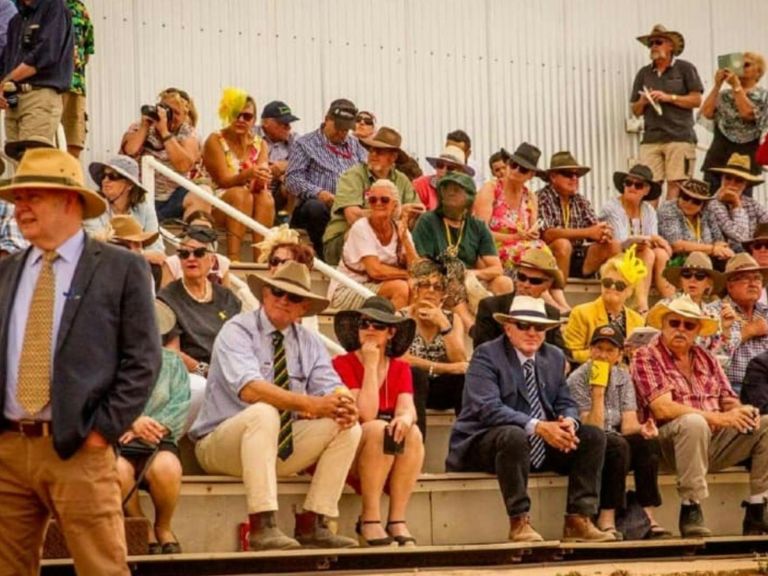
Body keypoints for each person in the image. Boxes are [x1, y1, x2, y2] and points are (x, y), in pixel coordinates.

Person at [0, 148, 161, 575]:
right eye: (18, 199)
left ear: (69, 200)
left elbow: (143, 359)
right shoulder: (6, 271)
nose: (21, 208)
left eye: (33, 196)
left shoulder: (122, 268)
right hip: (8, 448)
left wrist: (101, 432)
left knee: (101, 568)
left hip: (80, 448)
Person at [189, 262, 361, 551]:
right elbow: (250, 389)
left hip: (275, 445)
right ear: (264, 293)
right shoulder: (237, 330)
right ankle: (261, 523)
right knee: (263, 411)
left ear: (303, 307)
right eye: (277, 291)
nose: (283, 300)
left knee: (347, 425)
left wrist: (345, 402)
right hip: (219, 444)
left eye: (292, 297)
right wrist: (310, 403)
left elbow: (329, 383)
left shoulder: (308, 341)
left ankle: (315, 520)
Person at [446, 296, 613, 543]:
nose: (532, 332)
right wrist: (538, 426)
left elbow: (565, 401)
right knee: (515, 434)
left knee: (592, 436)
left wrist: (568, 422)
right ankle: (519, 520)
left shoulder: (554, 356)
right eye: (524, 325)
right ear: (508, 327)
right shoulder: (486, 355)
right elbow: (487, 408)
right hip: (483, 442)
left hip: (536, 444)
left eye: (540, 327)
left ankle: (579, 518)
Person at [632, 295, 768, 537]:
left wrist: (741, 411)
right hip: (667, 444)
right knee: (693, 423)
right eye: (674, 323)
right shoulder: (646, 355)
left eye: (689, 325)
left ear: (697, 331)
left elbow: (727, 399)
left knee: (766, 424)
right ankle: (691, 507)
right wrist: (717, 419)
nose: (681, 330)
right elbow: (663, 409)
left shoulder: (706, 357)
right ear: (663, 325)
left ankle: (759, 507)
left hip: (712, 441)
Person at [333, 297, 424, 547]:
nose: (370, 329)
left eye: (378, 325)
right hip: (350, 449)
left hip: (386, 453)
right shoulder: (342, 364)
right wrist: (371, 367)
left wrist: (404, 419)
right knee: (376, 428)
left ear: (391, 332)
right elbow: (366, 414)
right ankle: (369, 519)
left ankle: (396, 519)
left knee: (412, 432)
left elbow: (408, 408)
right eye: (364, 323)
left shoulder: (400, 368)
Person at [567, 324, 667, 540]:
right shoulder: (576, 379)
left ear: (619, 355)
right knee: (615, 445)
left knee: (646, 443)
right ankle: (606, 517)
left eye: (609, 350)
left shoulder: (622, 377)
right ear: (590, 350)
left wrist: (643, 428)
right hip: (590, 443)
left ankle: (648, 516)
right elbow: (592, 426)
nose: (602, 355)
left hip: (614, 437)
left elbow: (628, 424)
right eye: (598, 348)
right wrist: (598, 393)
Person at [117, 300, 190, 555]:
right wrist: (131, 421)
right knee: (117, 469)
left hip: (160, 439)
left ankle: (163, 526)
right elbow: (102, 398)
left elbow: (181, 403)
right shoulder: (110, 360)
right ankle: (141, 524)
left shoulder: (173, 363)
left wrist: (151, 427)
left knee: (167, 467)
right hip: (119, 438)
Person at [412, 171, 513, 331]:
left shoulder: (478, 226)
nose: (450, 192)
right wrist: (453, 273)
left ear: (469, 197)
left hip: (469, 278)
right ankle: (472, 328)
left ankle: (502, 329)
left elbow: (497, 268)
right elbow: (422, 263)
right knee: (450, 278)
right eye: (446, 188)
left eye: (457, 189)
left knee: (504, 282)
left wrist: (471, 274)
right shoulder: (428, 221)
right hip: (436, 278)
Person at [322, 126, 422, 266]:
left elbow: (416, 213)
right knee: (363, 227)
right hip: (340, 243)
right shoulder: (353, 176)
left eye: (379, 151)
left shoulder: (402, 180)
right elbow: (353, 217)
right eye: (371, 149)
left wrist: (409, 215)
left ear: (393, 157)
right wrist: (396, 212)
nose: (373, 154)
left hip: (384, 244)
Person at [630, 24, 704, 201]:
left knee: (676, 185)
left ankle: (669, 226)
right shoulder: (644, 73)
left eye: (658, 42)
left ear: (671, 46)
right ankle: (650, 226)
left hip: (679, 137)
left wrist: (669, 97)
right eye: (651, 43)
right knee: (649, 186)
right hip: (651, 138)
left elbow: (696, 100)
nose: (654, 46)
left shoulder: (686, 68)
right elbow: (636, 110)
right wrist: (643, 100)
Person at [286, 98, 367, 259]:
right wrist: (319, 193)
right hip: (317, 207)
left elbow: (366, 173)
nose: (341, 132)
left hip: (348, 205)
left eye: (346, 129)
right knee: (315, 207)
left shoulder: (356, 145)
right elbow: (292, 179)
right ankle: (325, 257)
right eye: (338, 127)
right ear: (327, 119)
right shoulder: (304, 144)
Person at [157, 226, 242, 377]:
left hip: (229, 370)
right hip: (189, 375)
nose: (191, 258)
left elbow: (239, 342)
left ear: (212, 259)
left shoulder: (226, 296)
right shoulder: (166, 298)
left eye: (199, 253)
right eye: (184, 254)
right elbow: (172, 351)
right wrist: (205, 371)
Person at [202, 88, 273, 260]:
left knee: (266, 197)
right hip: (217, 201)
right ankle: (234, 259)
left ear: (254, 120)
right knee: (241, 194)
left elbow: (260, 180)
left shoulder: (260, 144)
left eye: (247, 116)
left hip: (250, 200)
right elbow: (223, 181)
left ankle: (260, 260)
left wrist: (262, 178)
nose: (241, 120)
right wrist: (249, 174)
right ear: (227, 114)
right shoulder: (215, 140)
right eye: (236, 114)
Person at [400, 260, 467, 439]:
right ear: (415, 291)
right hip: (409, 390)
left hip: (441, 390)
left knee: (464, 379)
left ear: (443, 295)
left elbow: (460, 360)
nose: (430, 291)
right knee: (414, 374)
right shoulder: (400, 318)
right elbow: (401, 359)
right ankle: (417, 449)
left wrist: (444, 325)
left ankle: (466, 444)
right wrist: (443, 368)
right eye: (424, 285)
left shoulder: (452, 320)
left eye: (437, 287)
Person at [328, 179, 419, 310]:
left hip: (378, 287)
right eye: (373, 200)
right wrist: (408, 275)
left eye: (384, 200)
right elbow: (375, 271)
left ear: (395, 204)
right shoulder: (361, 228)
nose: (378, 203)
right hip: (349, 288)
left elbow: (417, 269)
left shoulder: (400, 228)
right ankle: (390, 327)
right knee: (401, 287)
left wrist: (404, 238)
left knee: (418, 289)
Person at [121, 87, 208, 222]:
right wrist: (145, 126)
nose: (168, 116)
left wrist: (165, 133)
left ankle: (196, 238)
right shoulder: (141, 127)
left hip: (171, 199)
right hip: (138, 198)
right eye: (165, 109)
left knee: (203, 193)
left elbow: (184, 165)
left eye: (175, 112)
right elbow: (129, 152)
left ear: (185, 115)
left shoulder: (188, 133)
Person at [0, 0, 73, 159]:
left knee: (33, 161)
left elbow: (46, 55)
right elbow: (6, 60)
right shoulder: (16, 20)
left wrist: (6, 81)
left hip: (39, 95)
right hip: (13, 98)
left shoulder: (54, 7)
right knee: (18, 162)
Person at [537, 151, 621, 284]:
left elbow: (594, 226)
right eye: (568, 174)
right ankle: (559, 297)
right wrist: (588, 232)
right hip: (549, 257)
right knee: (563, 245)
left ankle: (614, 298)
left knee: (613, 245)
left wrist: (603, 233)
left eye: (577, 175)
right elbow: (547, 234)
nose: (574, 178)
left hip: (577, 255)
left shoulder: (579, 200)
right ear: (553, 177)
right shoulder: (542, 197)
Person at [599, 164, 674, 312]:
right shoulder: (612, 207)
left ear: (646, 190)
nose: (632, 187)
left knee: (660, 253)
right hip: (612, 258)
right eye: (628, 183)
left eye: (638, 185)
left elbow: (651, 241)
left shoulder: (648, 209)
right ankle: (642, 306)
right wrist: (652, 238)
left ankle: (671, 300)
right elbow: (622, 241)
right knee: (648, 252)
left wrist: (653, 240)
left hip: (636, 259)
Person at [474, 143, 549, 275]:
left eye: (523, 169)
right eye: (513, 165)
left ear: (531, 175)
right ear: (508, 164)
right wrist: (514, 237)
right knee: (534, 257)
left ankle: (550, 292)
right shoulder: (491, 189)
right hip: (492, 250)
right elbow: (480, 232)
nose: (516, 170)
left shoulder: (531, 197)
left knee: (543, 254)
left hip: (525, 250)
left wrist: (532, 233)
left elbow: (533, 233)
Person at [563, 249, 647, 363]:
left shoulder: (637, 320)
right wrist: (610, 354)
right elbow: (572, 354)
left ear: (630, 292)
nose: (612, 287)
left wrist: (633, 353)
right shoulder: (581, 313)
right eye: (607, 283)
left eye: (620, 285)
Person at [473, 247, 566, 349]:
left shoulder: (551, 313)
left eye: (535, 281)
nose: (526, 284)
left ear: (548, 284)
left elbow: (561, 354)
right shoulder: (491, 307)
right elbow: (481, 352)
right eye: (522, 277)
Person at [700, 52, 768, 189]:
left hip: (745, 156)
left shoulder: (763, 96)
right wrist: (717, 85)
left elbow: (748, 114)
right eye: (739, 64)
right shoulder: (724, 95)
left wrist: (737, 87)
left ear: (758, 72)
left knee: (740, 200)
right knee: (709, 197)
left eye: (747, 65)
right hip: (719, 152)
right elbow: (706, 112)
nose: (741, 68)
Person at [86, 155, 165, 261]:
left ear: (129, 184)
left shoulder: (144, 207)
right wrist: (134, 252)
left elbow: (158, 251)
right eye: (103, 176)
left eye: (113, 176)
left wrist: (136, 254)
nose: (105, 180)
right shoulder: (94, 205)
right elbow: (94, 244)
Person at [661, 251, 734, 355]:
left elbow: (723, 356)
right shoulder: (665, 307)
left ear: (709, 283)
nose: (692, 280)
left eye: (700, 276)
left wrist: (726, 330)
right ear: (681, 281)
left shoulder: (712, 314)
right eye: (687, 275)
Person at [658, 178, 733, 267]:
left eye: (696, 201)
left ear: (703, 204)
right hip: (677, 261)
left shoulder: (707, 212)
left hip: (706, 260)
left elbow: (719, 239)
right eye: (686, 197)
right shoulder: (668, 208)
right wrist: (713, 249)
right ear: (679, 196)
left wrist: (720, 248)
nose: (689, 203)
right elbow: (676, 245)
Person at [721, 253, 768, 394]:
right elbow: (713, 355)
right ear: (730, 286)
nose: (753, 283)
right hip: (733, 387)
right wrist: (748, 331)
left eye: (757, 278)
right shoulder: (715, 311)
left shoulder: (766, 312)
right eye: (745, 278)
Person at [706, 153, 768, 251]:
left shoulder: (752, 204)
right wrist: (737, 204)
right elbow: (741, 237)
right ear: (722, 178)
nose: (732, 184)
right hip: (723, 256)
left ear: (745, 184)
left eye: (738, 180)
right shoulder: (713, 203)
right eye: (728, 178)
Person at [160, 210, 232, 288]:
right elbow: (164, 296)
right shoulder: (172, 263)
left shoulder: (221, 262)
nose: (199, 233)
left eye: (205, 230)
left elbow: (227, 296)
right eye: (195, 229)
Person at [254, 100, 300, 216]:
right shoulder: (252, 135)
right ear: (265, 123)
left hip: (279, 190)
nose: (288, 128)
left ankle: (284, 220)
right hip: (255, 187)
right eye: (283, 124)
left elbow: (307, 161)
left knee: (293, 180)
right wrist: (268, 169)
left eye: (289, 123)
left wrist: (287, 166)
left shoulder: (293, 138)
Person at [61, 0, 94, 158]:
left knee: (74, 137)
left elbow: (87, 50)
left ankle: (70, 177)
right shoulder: (40, 7)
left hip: (75, 84)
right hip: (49, 84)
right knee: (47, 138)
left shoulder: (80, 8)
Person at [413, 144, 475, 211]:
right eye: (440, 165)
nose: (443, 170)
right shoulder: (421, 184)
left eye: (450, 168)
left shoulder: (467, 192)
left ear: (461, 172)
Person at [743, 223, 768, 304]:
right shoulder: (740, 280)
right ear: (752, 251)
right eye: (758, 246)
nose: (762, 250)